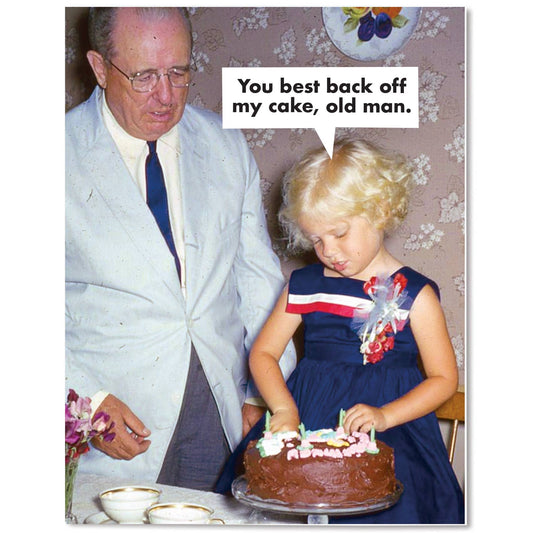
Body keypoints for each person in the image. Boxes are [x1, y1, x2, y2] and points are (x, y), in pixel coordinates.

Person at [65, 7, 296, 490]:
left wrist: (263, 392)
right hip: (109, 418)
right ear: (100, 67)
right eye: (144, 76)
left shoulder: (226, 144)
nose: (167, 96)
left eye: (179, 72)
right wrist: (85, 401)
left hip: (219, 408)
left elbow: (258, 280)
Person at [216, 139, 464, 524]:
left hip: (392, 428)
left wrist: (385, 416)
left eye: (339, 233)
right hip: (307, 416)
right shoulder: (305, 286)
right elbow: (263, 353)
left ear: (380, 211)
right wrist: (283, 408)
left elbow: (444, 379)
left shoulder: (417, 295)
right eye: (316, 239)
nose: (328, 250)